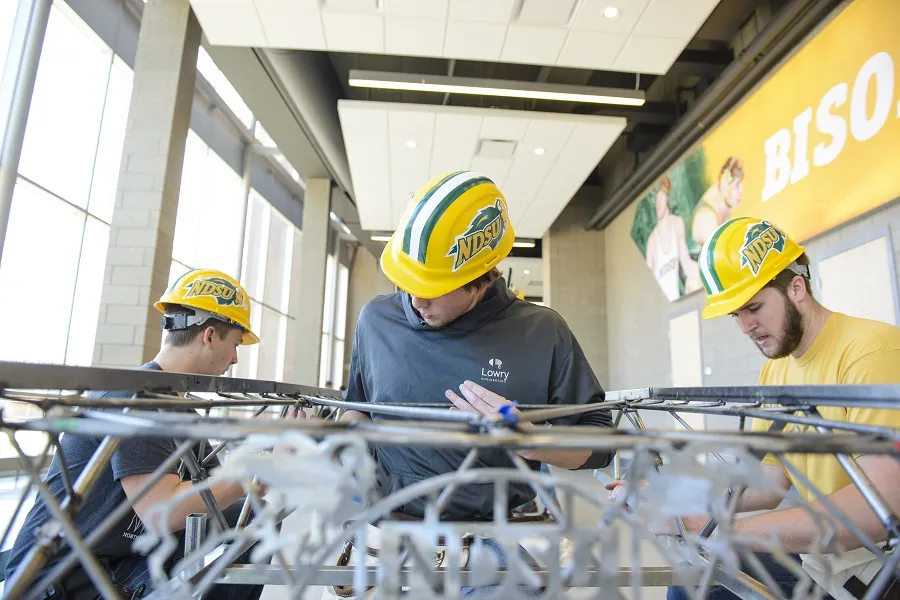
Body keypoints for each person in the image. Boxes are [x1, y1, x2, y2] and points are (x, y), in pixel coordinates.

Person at [611, 218, 900, 600]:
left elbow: (879, 508)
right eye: (736, 314)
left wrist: (720, 530)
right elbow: (768, 483)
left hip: (880, 570)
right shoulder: (776, 369)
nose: (745, 326)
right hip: (827, 560)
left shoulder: (870, 352)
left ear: (797, 287)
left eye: (754, 307)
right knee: (692, 580)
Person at [341, 170, 614, 521]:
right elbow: (356, 408)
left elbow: (601, 441)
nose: (416, 300)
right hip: (390, 530)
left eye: (433, 288)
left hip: (499, 538)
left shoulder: (542, 331)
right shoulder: (376, 320)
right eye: (407, 282)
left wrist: (528, 440)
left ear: (481, 278)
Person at [5, 269, 278, 599]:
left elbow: (217, 491)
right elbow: (162, 511)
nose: (235, 358)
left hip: (119, 563)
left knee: (255, 517)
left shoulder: (181, 412)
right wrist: (248, 474)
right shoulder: (136, 399)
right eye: (235, 343)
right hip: (62, 578)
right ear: (208, 336)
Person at [645, 177, 702, 301]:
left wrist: (706, 273)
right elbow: (649, 285)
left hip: (676, 299)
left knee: (694, 283)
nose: (658, 204)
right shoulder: (651, 241)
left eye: (661, 198)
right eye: (656, 200)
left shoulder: (677, 223)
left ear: (667, 199)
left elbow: (685, 262)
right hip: (661, 306)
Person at [690, 157, 744, 247]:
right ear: (725, 185)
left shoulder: (724, 201)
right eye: (737, 185)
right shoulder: (706, 217)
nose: (741, 191)